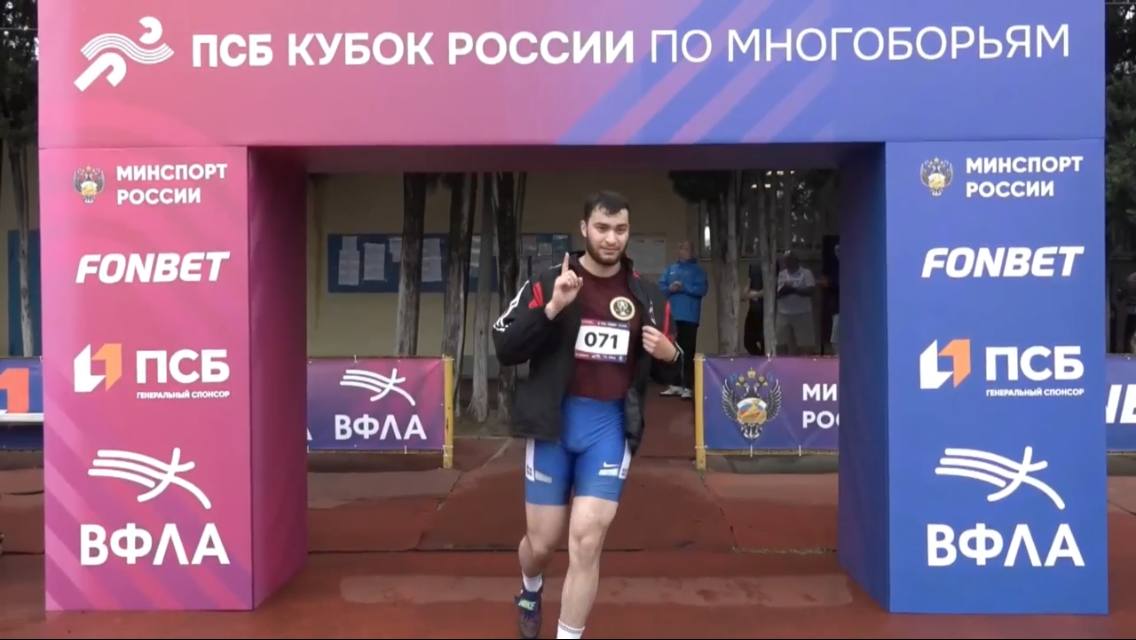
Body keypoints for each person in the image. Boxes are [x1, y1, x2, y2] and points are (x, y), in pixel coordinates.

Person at [492, 191, 682, 639]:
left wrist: (671, 354)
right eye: (602, 228)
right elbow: (505, 347)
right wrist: (552, 309)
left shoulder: (646, 295)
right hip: (553, 428)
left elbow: (669, 364)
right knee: (541, 545)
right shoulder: (548, 280)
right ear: (584, 229)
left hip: (608, 430)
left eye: (620, 229)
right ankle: (530, 587)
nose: (611, 238)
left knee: (587, 540)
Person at [657, 240, 707, 399]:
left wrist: (684, 287)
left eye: (685, 248)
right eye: (680, 247)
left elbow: (702, 289)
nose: (682, 250)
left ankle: (688, 386)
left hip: (689, 317)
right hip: (672, 316)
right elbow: (660, 288)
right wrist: (670, 288)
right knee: (672, 350)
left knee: (687, 350)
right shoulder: (670, 269)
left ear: (692, 251)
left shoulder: (698, 271)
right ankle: (675, 384)